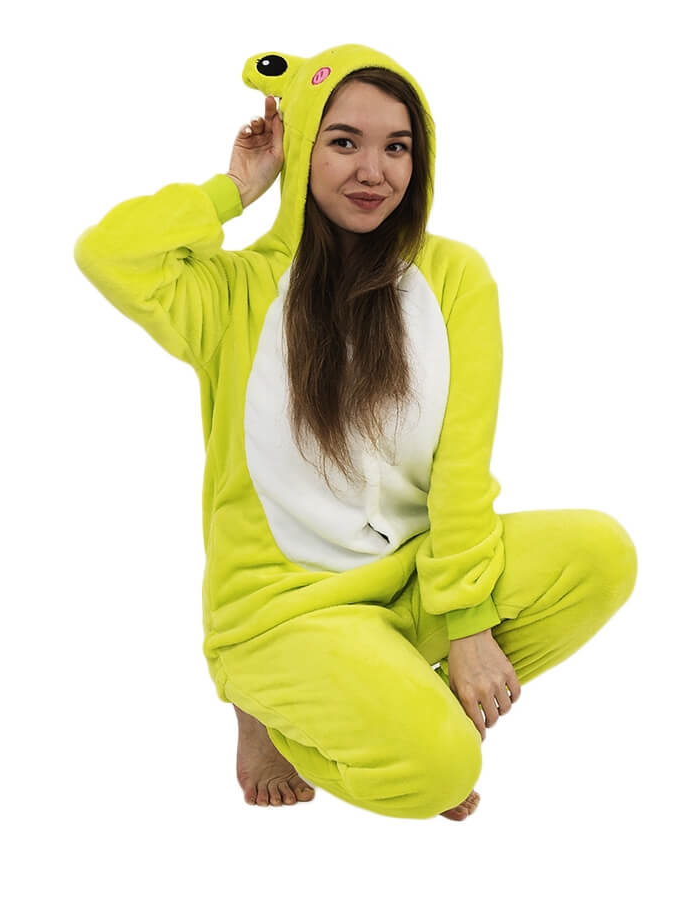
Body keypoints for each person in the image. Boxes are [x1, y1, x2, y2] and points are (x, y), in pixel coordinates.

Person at [73, 43, 637, 822]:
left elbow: (461, 469)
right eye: (343, 142)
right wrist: (236, 188)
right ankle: (275, 708)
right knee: (442, 769)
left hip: (413, 581)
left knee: (601, 555)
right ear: (304, 144)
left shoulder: (453, 277)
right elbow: (108, 253)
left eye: (397, 147)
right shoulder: (235, 292)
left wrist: (468, 620)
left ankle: (402, 705)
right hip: (285, 611)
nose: (375, 171)